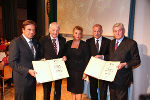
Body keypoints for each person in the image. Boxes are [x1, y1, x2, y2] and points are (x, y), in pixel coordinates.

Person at [109, 23, 141, 100]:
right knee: (112, 97)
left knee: (121, 98)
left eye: (119, 30)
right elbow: (111, 57)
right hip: (111, 76)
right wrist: (102, 57)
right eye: (115, 31)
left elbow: (137, 60)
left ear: (123, 31)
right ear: (113, 32)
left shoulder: (131, 43)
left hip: (123, 77)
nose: (117, 33)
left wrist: (125, 64)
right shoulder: (112, 42)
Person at [9, 20, 39, 100]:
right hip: (21, 80)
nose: (32, 32)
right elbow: (12, 63)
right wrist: (27, 70)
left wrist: (40, 61)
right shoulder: (15, 42)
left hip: (32, 79)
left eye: (33, 30)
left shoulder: (34, 41)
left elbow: (32, 58)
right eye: (29, 29)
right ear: (23, 30)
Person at [39, 22, 66, 100]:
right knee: (47, 90)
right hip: (47, 69)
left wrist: (64, 56)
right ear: (49, 30)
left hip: (58, 69)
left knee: (58, 90)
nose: (55, 32)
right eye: (53, 30)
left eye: (57, 30)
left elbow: (64, 52)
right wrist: (41, 59)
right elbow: (40, 53)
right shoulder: (43, 40)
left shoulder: (63, 40)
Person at [86, 24, 111, 100]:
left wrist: (103, 56)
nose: (96, 33)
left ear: (102, 31)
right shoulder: (88, 41)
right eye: (95, 31)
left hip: (104, 69)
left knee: (103, 89)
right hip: (92, 70)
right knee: (93, 89)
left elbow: (111, 56)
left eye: (98, 31)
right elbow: (86, 56)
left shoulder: (108, 41)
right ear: (92, 32)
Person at [65, 26, 89, 100]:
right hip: (70, 70)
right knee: (72, 89)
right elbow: (65, 54)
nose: (78, 35)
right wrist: (64, 57)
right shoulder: (68, 43)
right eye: (76, 33)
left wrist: (85, 72)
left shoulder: (84, 44)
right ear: (73, 34)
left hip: (80, 71)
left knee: (78, 90)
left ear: (81, 35)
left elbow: (87, 59)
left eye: (79, 33)